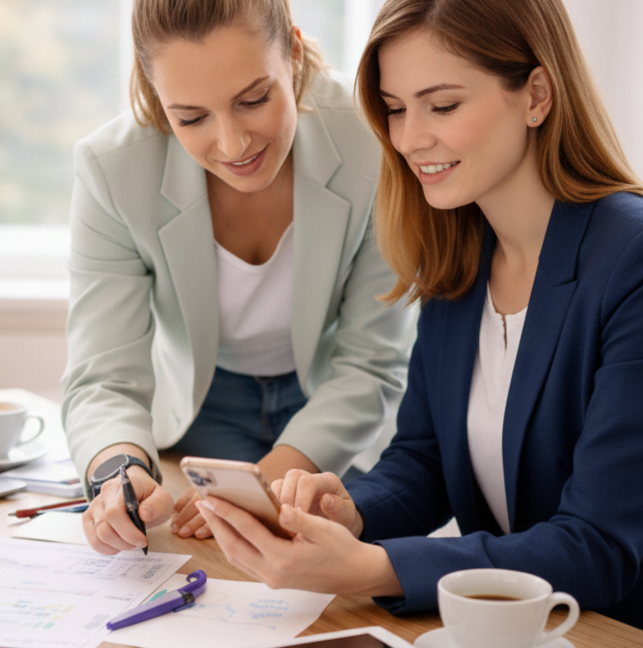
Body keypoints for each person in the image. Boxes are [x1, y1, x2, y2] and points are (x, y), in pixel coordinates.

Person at [195, 0, 643, 629]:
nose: (408, 139)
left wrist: (373, 568)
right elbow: (425, 461)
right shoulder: (460, 255)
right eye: (397, 109)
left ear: (536, 95)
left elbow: (598, 547)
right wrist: (349, 510)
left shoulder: (631, 262)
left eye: (443, 106)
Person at [61, 0, 416, 555]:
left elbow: (372, 361)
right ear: (157, 98)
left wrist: (270, 480)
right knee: (216, 568)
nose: (233, 144)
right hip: (204, 411)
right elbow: (104, 377)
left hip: (335, 402)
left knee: (340, 567)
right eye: (192, 118)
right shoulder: (112, 170)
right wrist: (117, 470)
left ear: (294, 54)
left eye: (254, 100)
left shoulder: (373, 135)